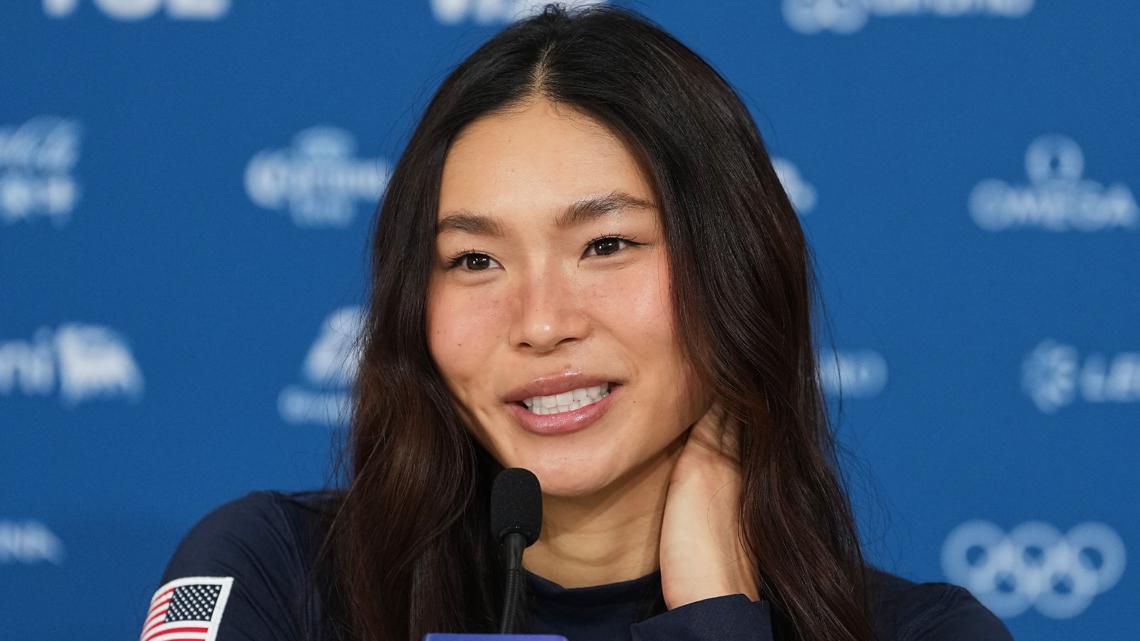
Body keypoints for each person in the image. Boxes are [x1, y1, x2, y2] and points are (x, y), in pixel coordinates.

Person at [139, 4, 1014, 641]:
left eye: (606, 244)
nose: (540, 322)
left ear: (736, 268)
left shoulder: (925, 631)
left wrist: (716, 617)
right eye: (475, 260)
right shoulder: (274, 574)